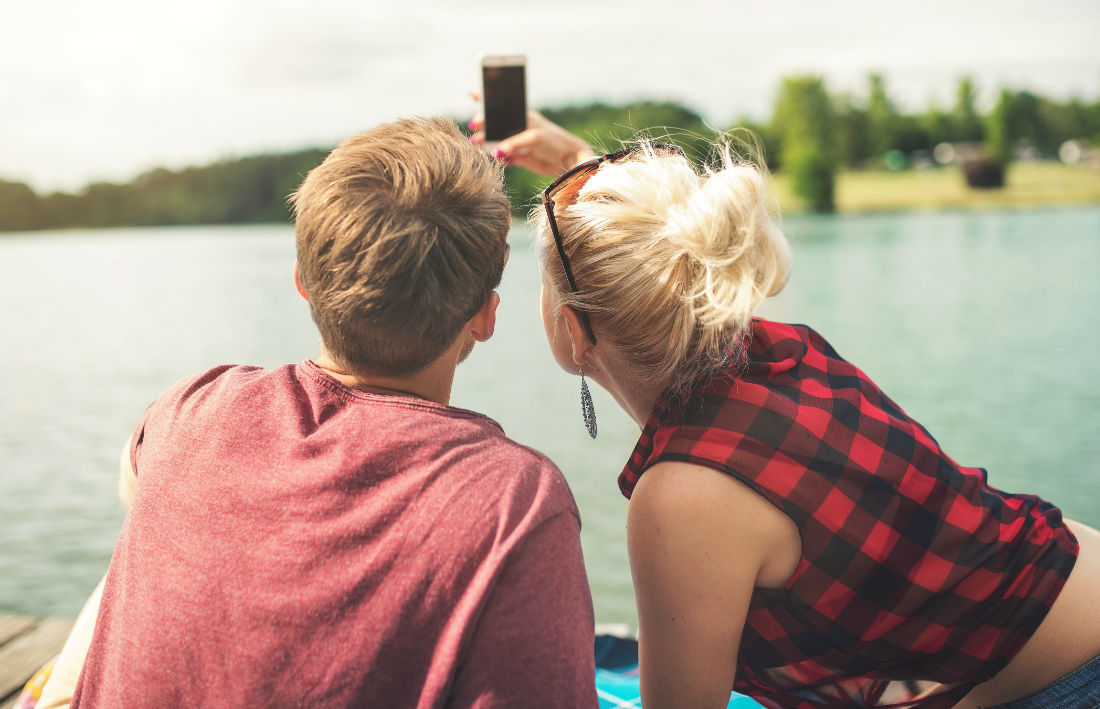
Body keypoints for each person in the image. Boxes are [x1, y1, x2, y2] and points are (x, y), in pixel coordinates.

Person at [470, 115, 1100, 708]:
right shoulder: (777, 352)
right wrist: (579, 161)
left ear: (575, 332)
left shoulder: (684, 495)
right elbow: (670, 256)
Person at [40, 117, 597, 708]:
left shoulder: (190, 405)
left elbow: (136, 489)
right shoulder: (515, 504)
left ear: (304, 284)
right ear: (487, 315)